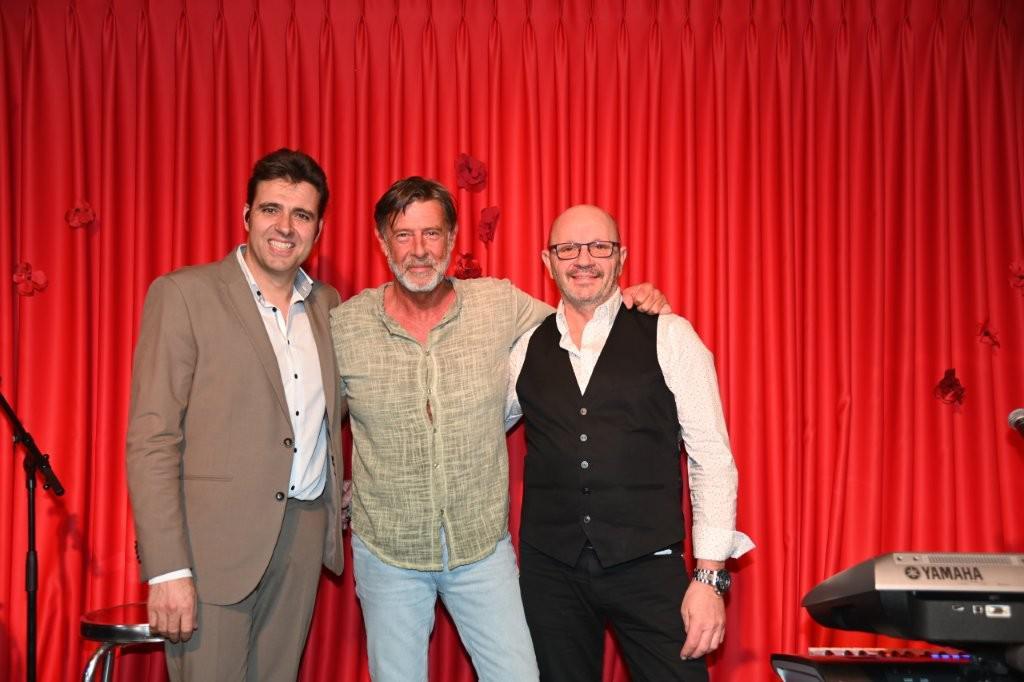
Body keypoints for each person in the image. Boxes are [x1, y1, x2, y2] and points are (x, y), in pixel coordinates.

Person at [329, 177, 666, 682]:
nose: (419, 250)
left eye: (432, 233)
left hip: (481, 551)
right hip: (388, 553)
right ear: (382, 242)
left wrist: (630, 299)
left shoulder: (499, 304)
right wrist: (332, 487)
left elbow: (581, 322)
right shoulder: (345, 326)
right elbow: (308, 415)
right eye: (403, 235)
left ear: (452, 237)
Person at [506, 204, 754, 681]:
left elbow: (711, 458)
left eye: (599, 247)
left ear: (621, 257)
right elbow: (475, 429)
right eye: (567, 249)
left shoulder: (671, 335)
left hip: (648, 565)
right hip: (551, 571)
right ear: (547, 261)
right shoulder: (524, 347)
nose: (583, 259)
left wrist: (709, 578)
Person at [126, 148, 348, 681]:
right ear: (246, 215)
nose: (285, 227)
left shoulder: (330, 306)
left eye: (302, 215)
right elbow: (152, 439)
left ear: (318, 230)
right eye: (272, 209)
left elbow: (330, 417)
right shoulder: (184, 294)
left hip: (301, 540)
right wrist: (168, 568)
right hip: (211, 549)